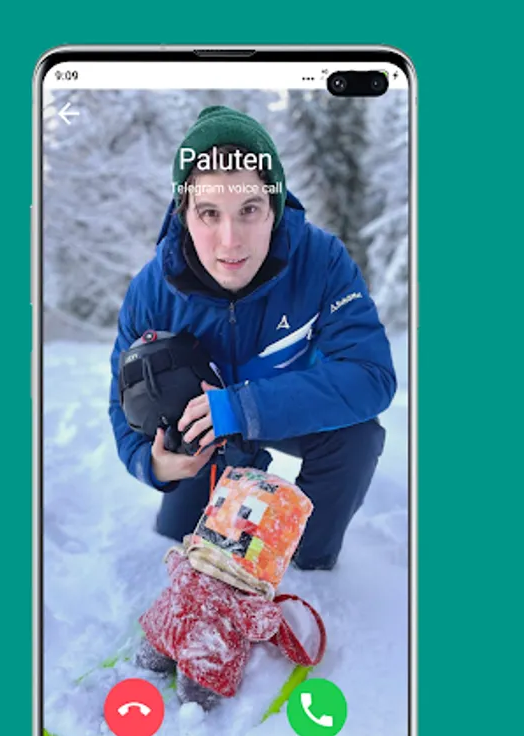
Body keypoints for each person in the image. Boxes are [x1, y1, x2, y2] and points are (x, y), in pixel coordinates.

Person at [109, 105, 396, 570]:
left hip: (291, 409)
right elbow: (121, 399)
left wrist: (242, 408)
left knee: (357, 437)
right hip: (206, 437)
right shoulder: (153, 289)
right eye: (209, 213)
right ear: (184, 213)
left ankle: (307, 563)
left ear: (274, 207)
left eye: (249, 209)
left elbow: (371, 375)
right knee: (177, 537)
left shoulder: (321, 260)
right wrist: (154, 463)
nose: (230, 241)